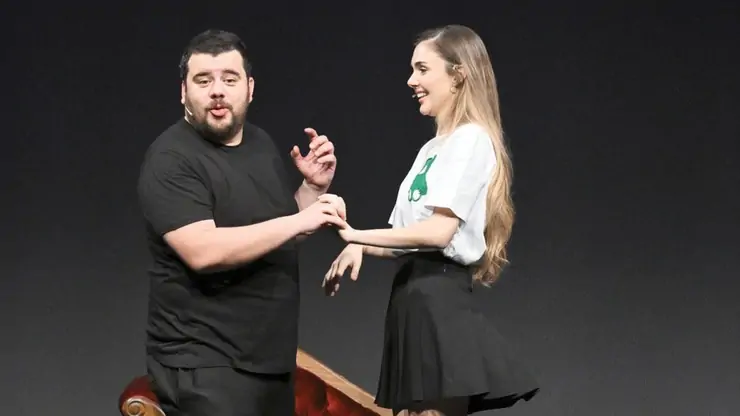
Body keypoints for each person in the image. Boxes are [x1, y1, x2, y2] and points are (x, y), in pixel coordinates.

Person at [322, 25, 540, 415]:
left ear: (458, 75)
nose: (411, 80)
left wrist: (355, 234)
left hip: (438, 302)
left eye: (422, 69)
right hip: (411, 301)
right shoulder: (431, 149)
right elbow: (405, 239)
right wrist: (358, 245)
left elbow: (438, 233)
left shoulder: (471, 139)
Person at [137, 29, 347, 416]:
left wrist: (311, 190)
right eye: (203, 80)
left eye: (229, 79)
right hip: (206, 366)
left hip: (269, 361)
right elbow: (203, 251)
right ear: (183, 92)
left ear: (250, 88)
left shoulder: (260, 144)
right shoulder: (171, 158)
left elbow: (275, 235)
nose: (217, 91)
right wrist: (301, 220)